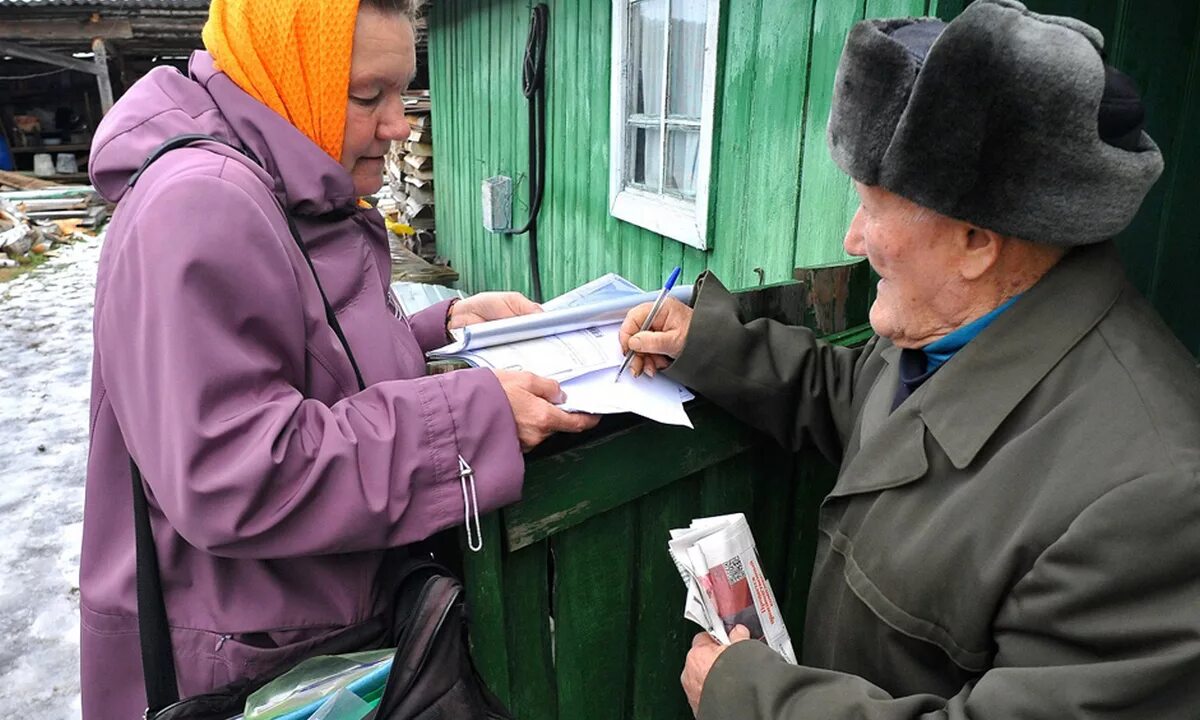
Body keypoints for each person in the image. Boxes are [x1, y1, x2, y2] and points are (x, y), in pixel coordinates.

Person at [620, 1, 1200, 717]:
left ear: (976, 240)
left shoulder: (1155, 498)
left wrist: (756, 700)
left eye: (872, 204)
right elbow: (859, 402)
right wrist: (705, 345)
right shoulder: (952, 326)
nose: (852, 238)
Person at [81, 0, 596, 716]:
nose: (399, 124)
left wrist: (438, 328)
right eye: (368, 96)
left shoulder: (280, 183)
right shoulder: (202, 205)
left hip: (303, 633)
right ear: (286, 73)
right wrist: (468, 421)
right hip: (254, 669)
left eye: (403, 92)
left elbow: (296, 358)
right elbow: (236, 469)